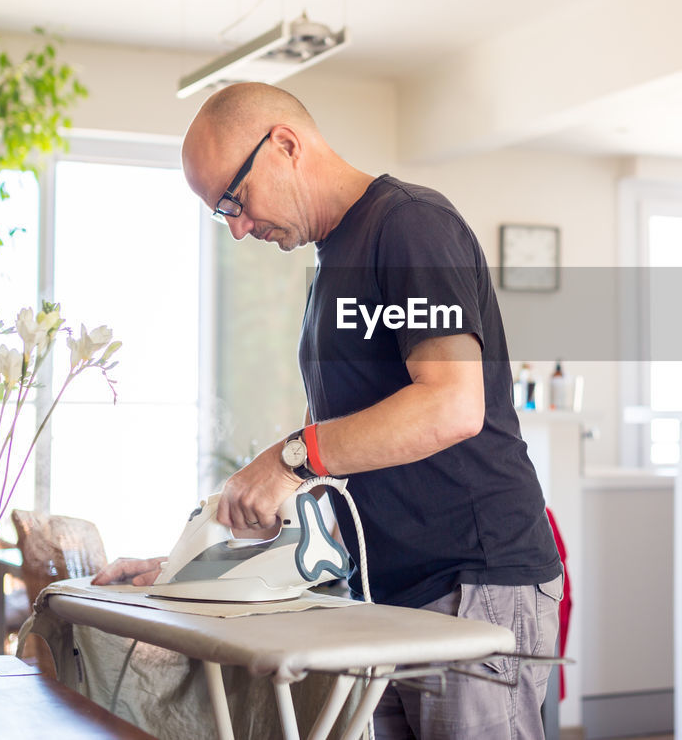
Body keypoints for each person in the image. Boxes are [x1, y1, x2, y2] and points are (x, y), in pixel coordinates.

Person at [94, 82, 562, 739]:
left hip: (471, 579)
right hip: (391, 592)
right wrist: (191, 568)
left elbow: (453, 403)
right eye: (219, 213)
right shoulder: (330, 265)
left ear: (285, 145)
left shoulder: (409, 225)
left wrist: (293, 455)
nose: (236, 226)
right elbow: (363, 462)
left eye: (234, 198)